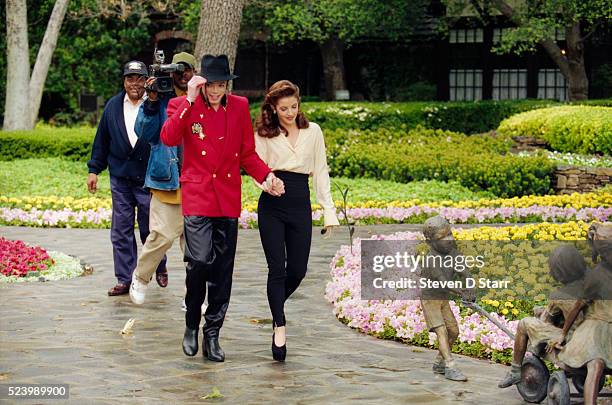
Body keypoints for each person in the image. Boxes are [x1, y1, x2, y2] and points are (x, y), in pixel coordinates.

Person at [160, 54, 284, 362]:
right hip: (199, 195)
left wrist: (267, 176)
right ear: (201, 84)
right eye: (211, 86)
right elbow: (168, 137)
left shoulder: (239, 106)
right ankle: (191, 321)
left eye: (221, 86)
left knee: (222, 272)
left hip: (226, 198)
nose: (216, 92)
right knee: (199, 262)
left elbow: (247, 154)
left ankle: (212, 333)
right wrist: (189, 101)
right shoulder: (183, 105)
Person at [254, 80, 339, 362]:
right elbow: (256, 167)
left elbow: (321, 171)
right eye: (283, 108)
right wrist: (267, 183)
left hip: (300, 203)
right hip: (272, 205)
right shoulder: (264, 133)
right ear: (273, 109)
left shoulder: (313, 131)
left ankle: (275, 302)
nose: (289, 112)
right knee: (277, 268)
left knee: (298, 270)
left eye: (293, 107)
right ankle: (280, 325)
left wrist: (329, 210)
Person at [87, 61, 166, 296]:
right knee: (120, 230)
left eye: (140, 78)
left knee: (150, 228)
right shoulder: (112, 106)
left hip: (147, 178)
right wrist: (94, 170)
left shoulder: (155, 104)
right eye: (130, 78)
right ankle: (124, 278)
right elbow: (102, 141)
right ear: (124, 81)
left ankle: (159, 266)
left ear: (146, 81)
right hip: (120, 178)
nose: (135, 84)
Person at [129, 52, 197, 305]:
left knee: (195, 248)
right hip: (166, 179)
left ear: (194, 71)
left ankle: (194, 295)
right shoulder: (159, 99)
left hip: (196, 182)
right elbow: (143, 133)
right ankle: (142, 276)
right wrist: (152, 100)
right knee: (161, 236)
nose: (181, 74)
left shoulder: (202, 99)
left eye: (186, 68)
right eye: (176, 70)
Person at [498, 244, 588, 389]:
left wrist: (541, 312)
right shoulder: (592, 286)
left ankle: (515, 371)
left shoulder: (560, 295)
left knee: (524, 323)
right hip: (591, 338)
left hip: (572, 342)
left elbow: (546, 321)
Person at [419, 215, 474, 381]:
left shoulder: (453, 253)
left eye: (450, 233)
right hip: (431, 300)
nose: (449, 239)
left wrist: (469, 288)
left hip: (443, 299)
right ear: (430, 242)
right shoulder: (431, 259)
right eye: (442, 237)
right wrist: (462, 292)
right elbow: (444, 283)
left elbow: (464, 272)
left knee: (454, 331)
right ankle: (450, 366)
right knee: (442, 331)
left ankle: (439, 362)